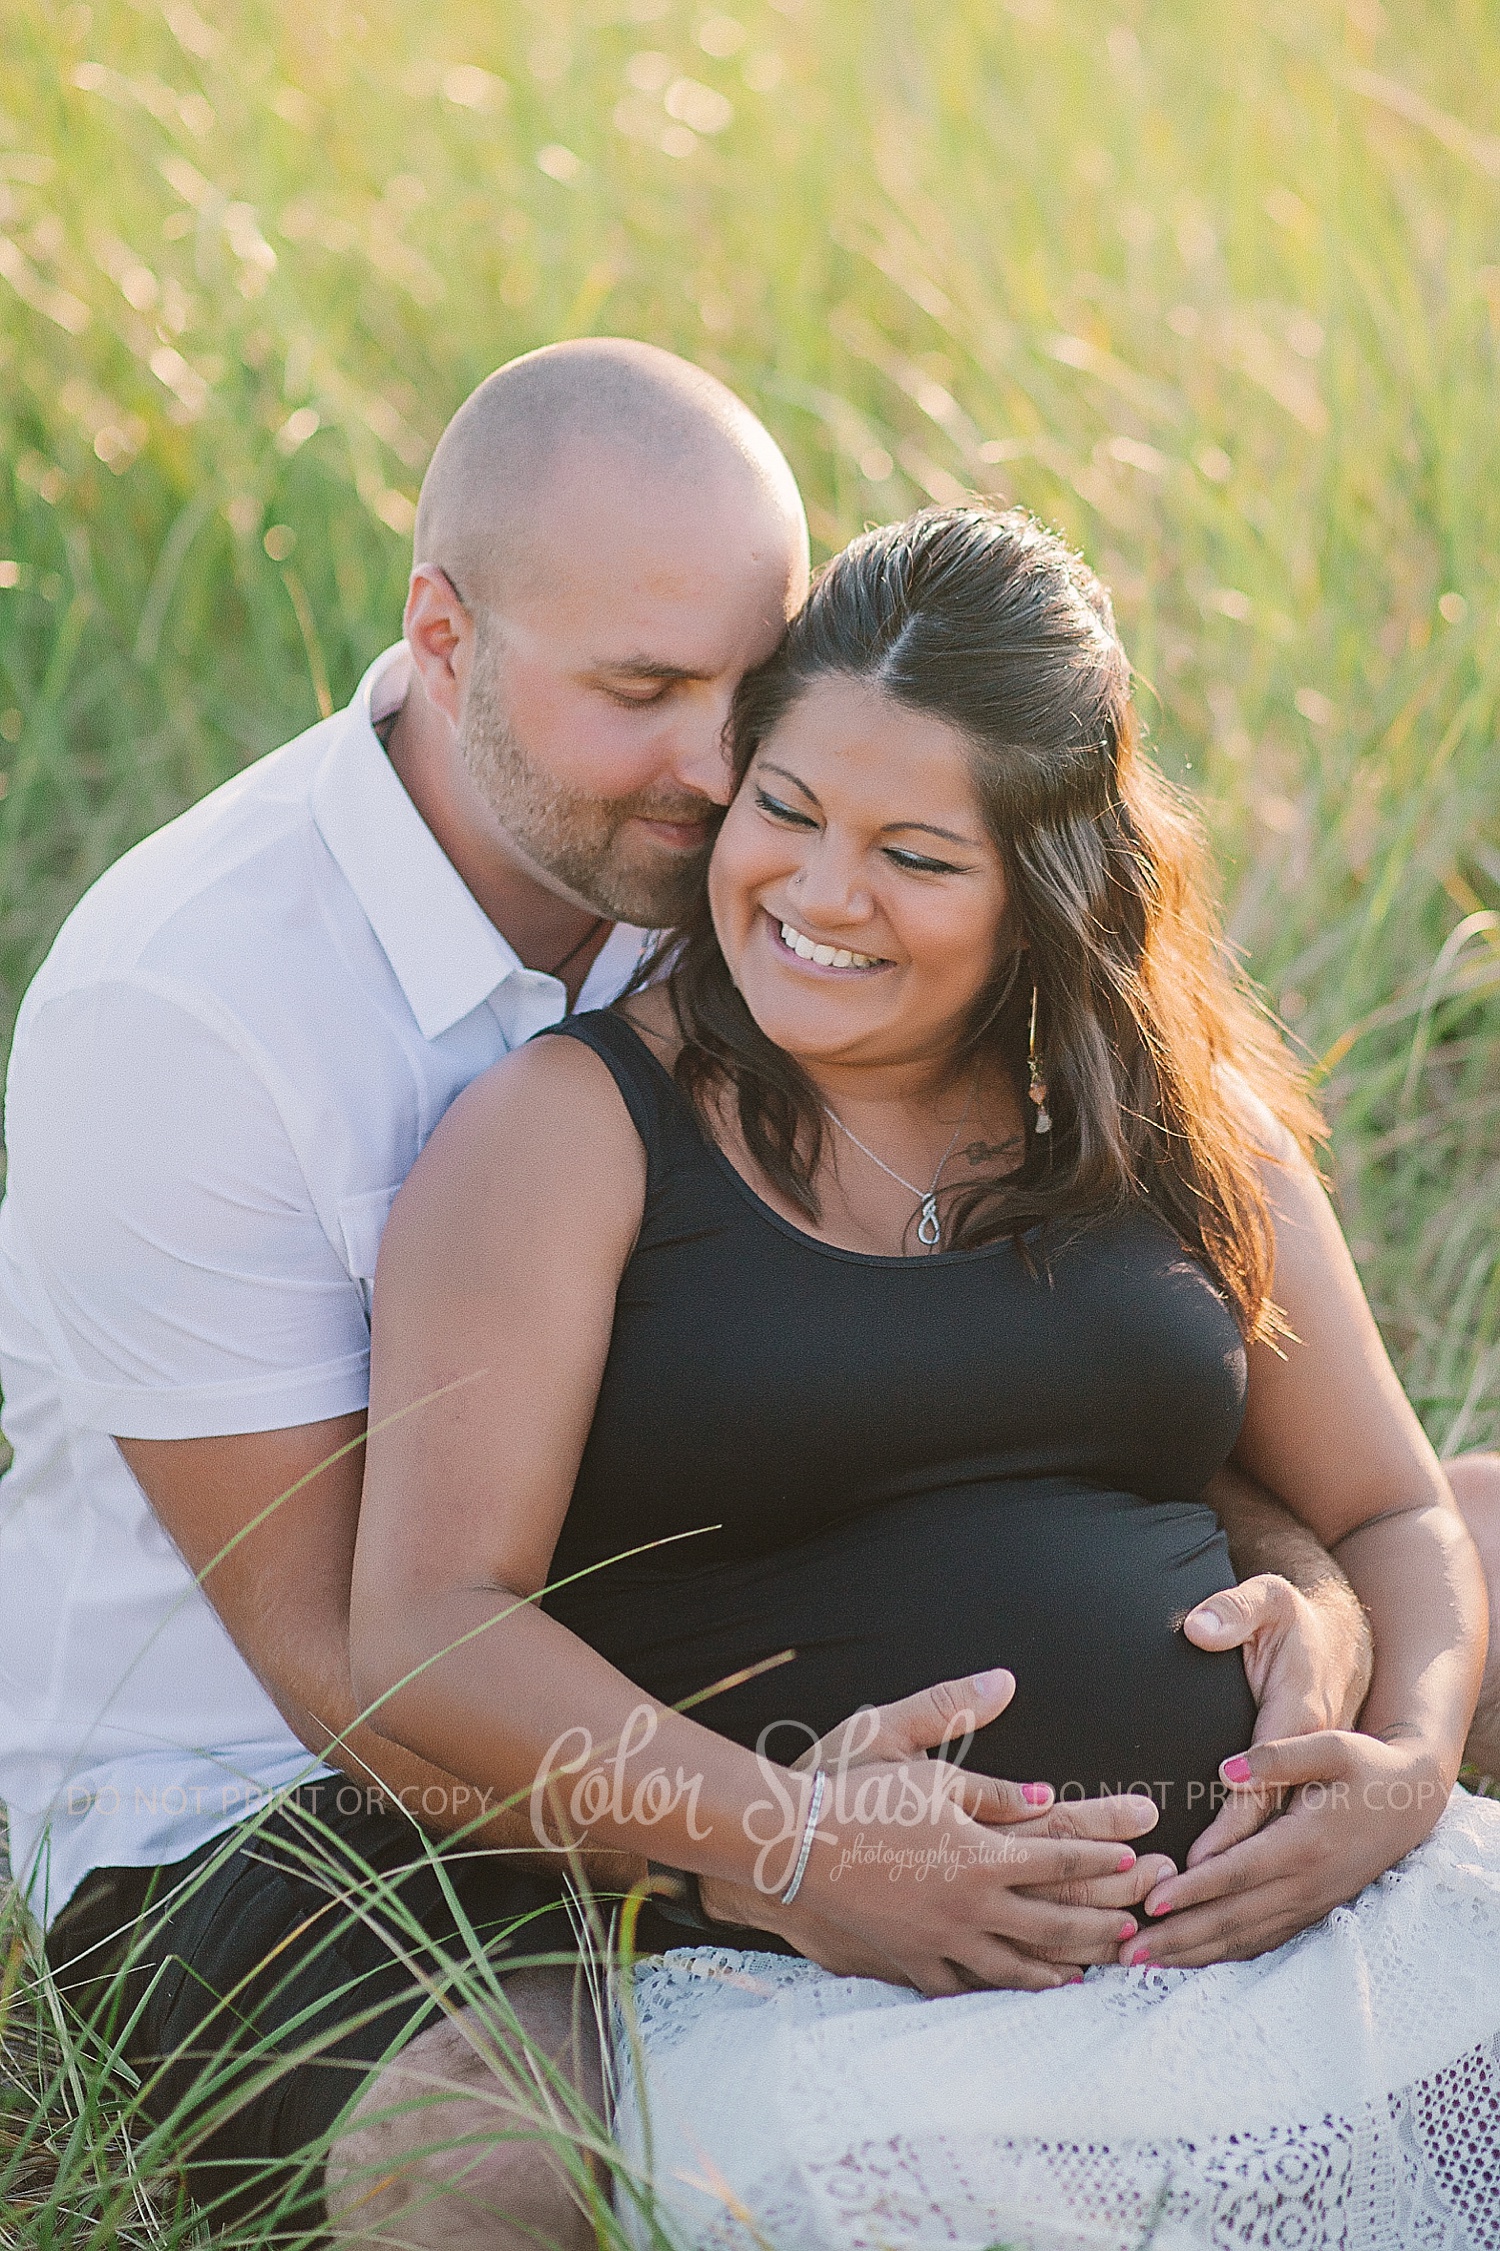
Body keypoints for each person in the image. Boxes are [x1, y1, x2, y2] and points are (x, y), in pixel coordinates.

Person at [0, 343, 1379, 2244]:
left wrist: (1289, 1584)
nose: (723, 769)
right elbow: (357, 1672)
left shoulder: (759, 903)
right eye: (641, 695)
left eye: (750, 688)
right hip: (289, 1804)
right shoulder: (188, 1013)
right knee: (479, 2153)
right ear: (444, 637)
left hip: (701, 1677)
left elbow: (1008, 1363)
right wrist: (774, 1859)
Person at [350, 504, 1500, 2248]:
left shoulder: (1178, 1128)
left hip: (1298, 1931)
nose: (821, 895)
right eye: (788, 812)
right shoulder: (565, 1137)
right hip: (828, 1990)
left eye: (918, 855)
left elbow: (1392, 1502)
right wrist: (792, 1845)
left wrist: (1402, 1767)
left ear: (1048, 887)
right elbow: (426, 1620)